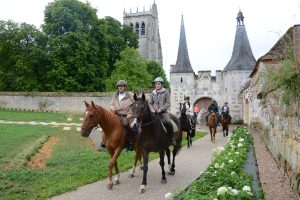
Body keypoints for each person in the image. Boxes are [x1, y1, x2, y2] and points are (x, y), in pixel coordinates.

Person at [101, 80, 135, 150]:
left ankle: (130, 142)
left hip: (126, 115)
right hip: (115, 114)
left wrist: (130, 113)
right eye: (119, 86)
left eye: (122, 86)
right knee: (107, 124)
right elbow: (111, 104)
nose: (120, 87)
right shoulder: (115, 95)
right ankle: (104, 141)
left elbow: (134, 105)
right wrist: (112, 108)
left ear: (125, 87)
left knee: (128, 125)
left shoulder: (130, 95)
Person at [148, 77, 176, 145]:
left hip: (163, 112)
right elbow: (150, 103)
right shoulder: (152, 93)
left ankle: (172, 138)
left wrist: (161, 109)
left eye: (159, 84)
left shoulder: (166, 92)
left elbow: (168, 103)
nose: (157, 85)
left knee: (169, 122)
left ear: (161, 84)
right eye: (156, 84)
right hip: (154, 112)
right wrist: (152, 109)